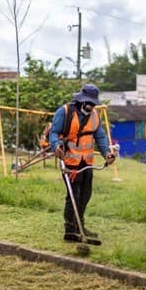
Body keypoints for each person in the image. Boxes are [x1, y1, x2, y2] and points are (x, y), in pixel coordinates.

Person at [49, 84, 116, 243]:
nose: (91, 106)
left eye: (93, 103)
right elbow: (54, 133)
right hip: (71, 162)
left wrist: (107, 153)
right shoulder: (64, 112)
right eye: (88, 102)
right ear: (80, 100)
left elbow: (100, 137)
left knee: (85, 196)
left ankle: (80, 227)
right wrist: (56, 146)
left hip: (87, 162)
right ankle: (70, 230)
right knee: (73, 196)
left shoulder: (94, 116)